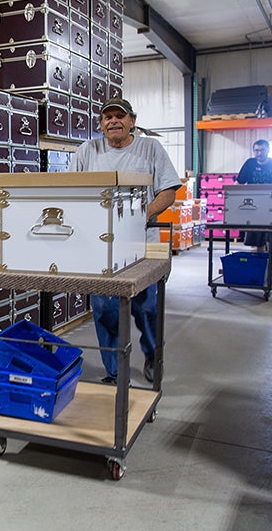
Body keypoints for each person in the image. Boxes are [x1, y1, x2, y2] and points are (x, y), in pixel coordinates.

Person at [69, 97, 182, 385]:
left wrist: (136, 217)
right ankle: (115, 371)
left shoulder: (150, 148)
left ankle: (153, 356)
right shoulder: (87, 151)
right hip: (99, 246)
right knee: (105, 308)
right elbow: (70, 191)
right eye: (107, 117)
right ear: (101, 124)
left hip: (141, 242)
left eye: (120, 116)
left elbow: (168, 191)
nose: (113, 121)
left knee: (145, 307)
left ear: (132, 121)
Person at [237, 139, 272, 252]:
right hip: (255, 207)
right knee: (257, 242)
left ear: (268, 150)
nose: (259, 153)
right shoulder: (250, 163)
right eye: (256, 150)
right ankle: (261, 266)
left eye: (262, 150)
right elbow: (239, 183)